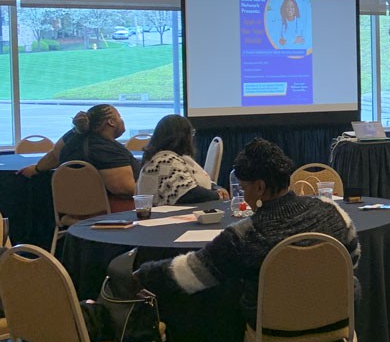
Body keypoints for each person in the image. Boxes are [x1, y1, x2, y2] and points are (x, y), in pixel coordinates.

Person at [135, 138, 359, 323]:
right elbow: (353, 257)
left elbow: (191, 275)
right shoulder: (331, 210)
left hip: (273, 321)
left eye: (243, 188)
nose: (243, 195)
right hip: (336, 314)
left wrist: (139, 275)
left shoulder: (244, 235)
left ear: (259, 187)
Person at [18, 104, 139, 212]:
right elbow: (125, 190)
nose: (122, 120)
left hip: (71, 210)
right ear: (111, 122)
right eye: (119, 117)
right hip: (106, 212)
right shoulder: (108, 151)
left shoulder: (72, 137)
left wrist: (36, 169)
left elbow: (54, 156)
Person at [139, 114, 229, 206]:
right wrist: (217, 195)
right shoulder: (164, 161)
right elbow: (187, 193)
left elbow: (197, 180)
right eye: (191, 134)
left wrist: (216, 188)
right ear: (183, 137)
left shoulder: (173, 158)